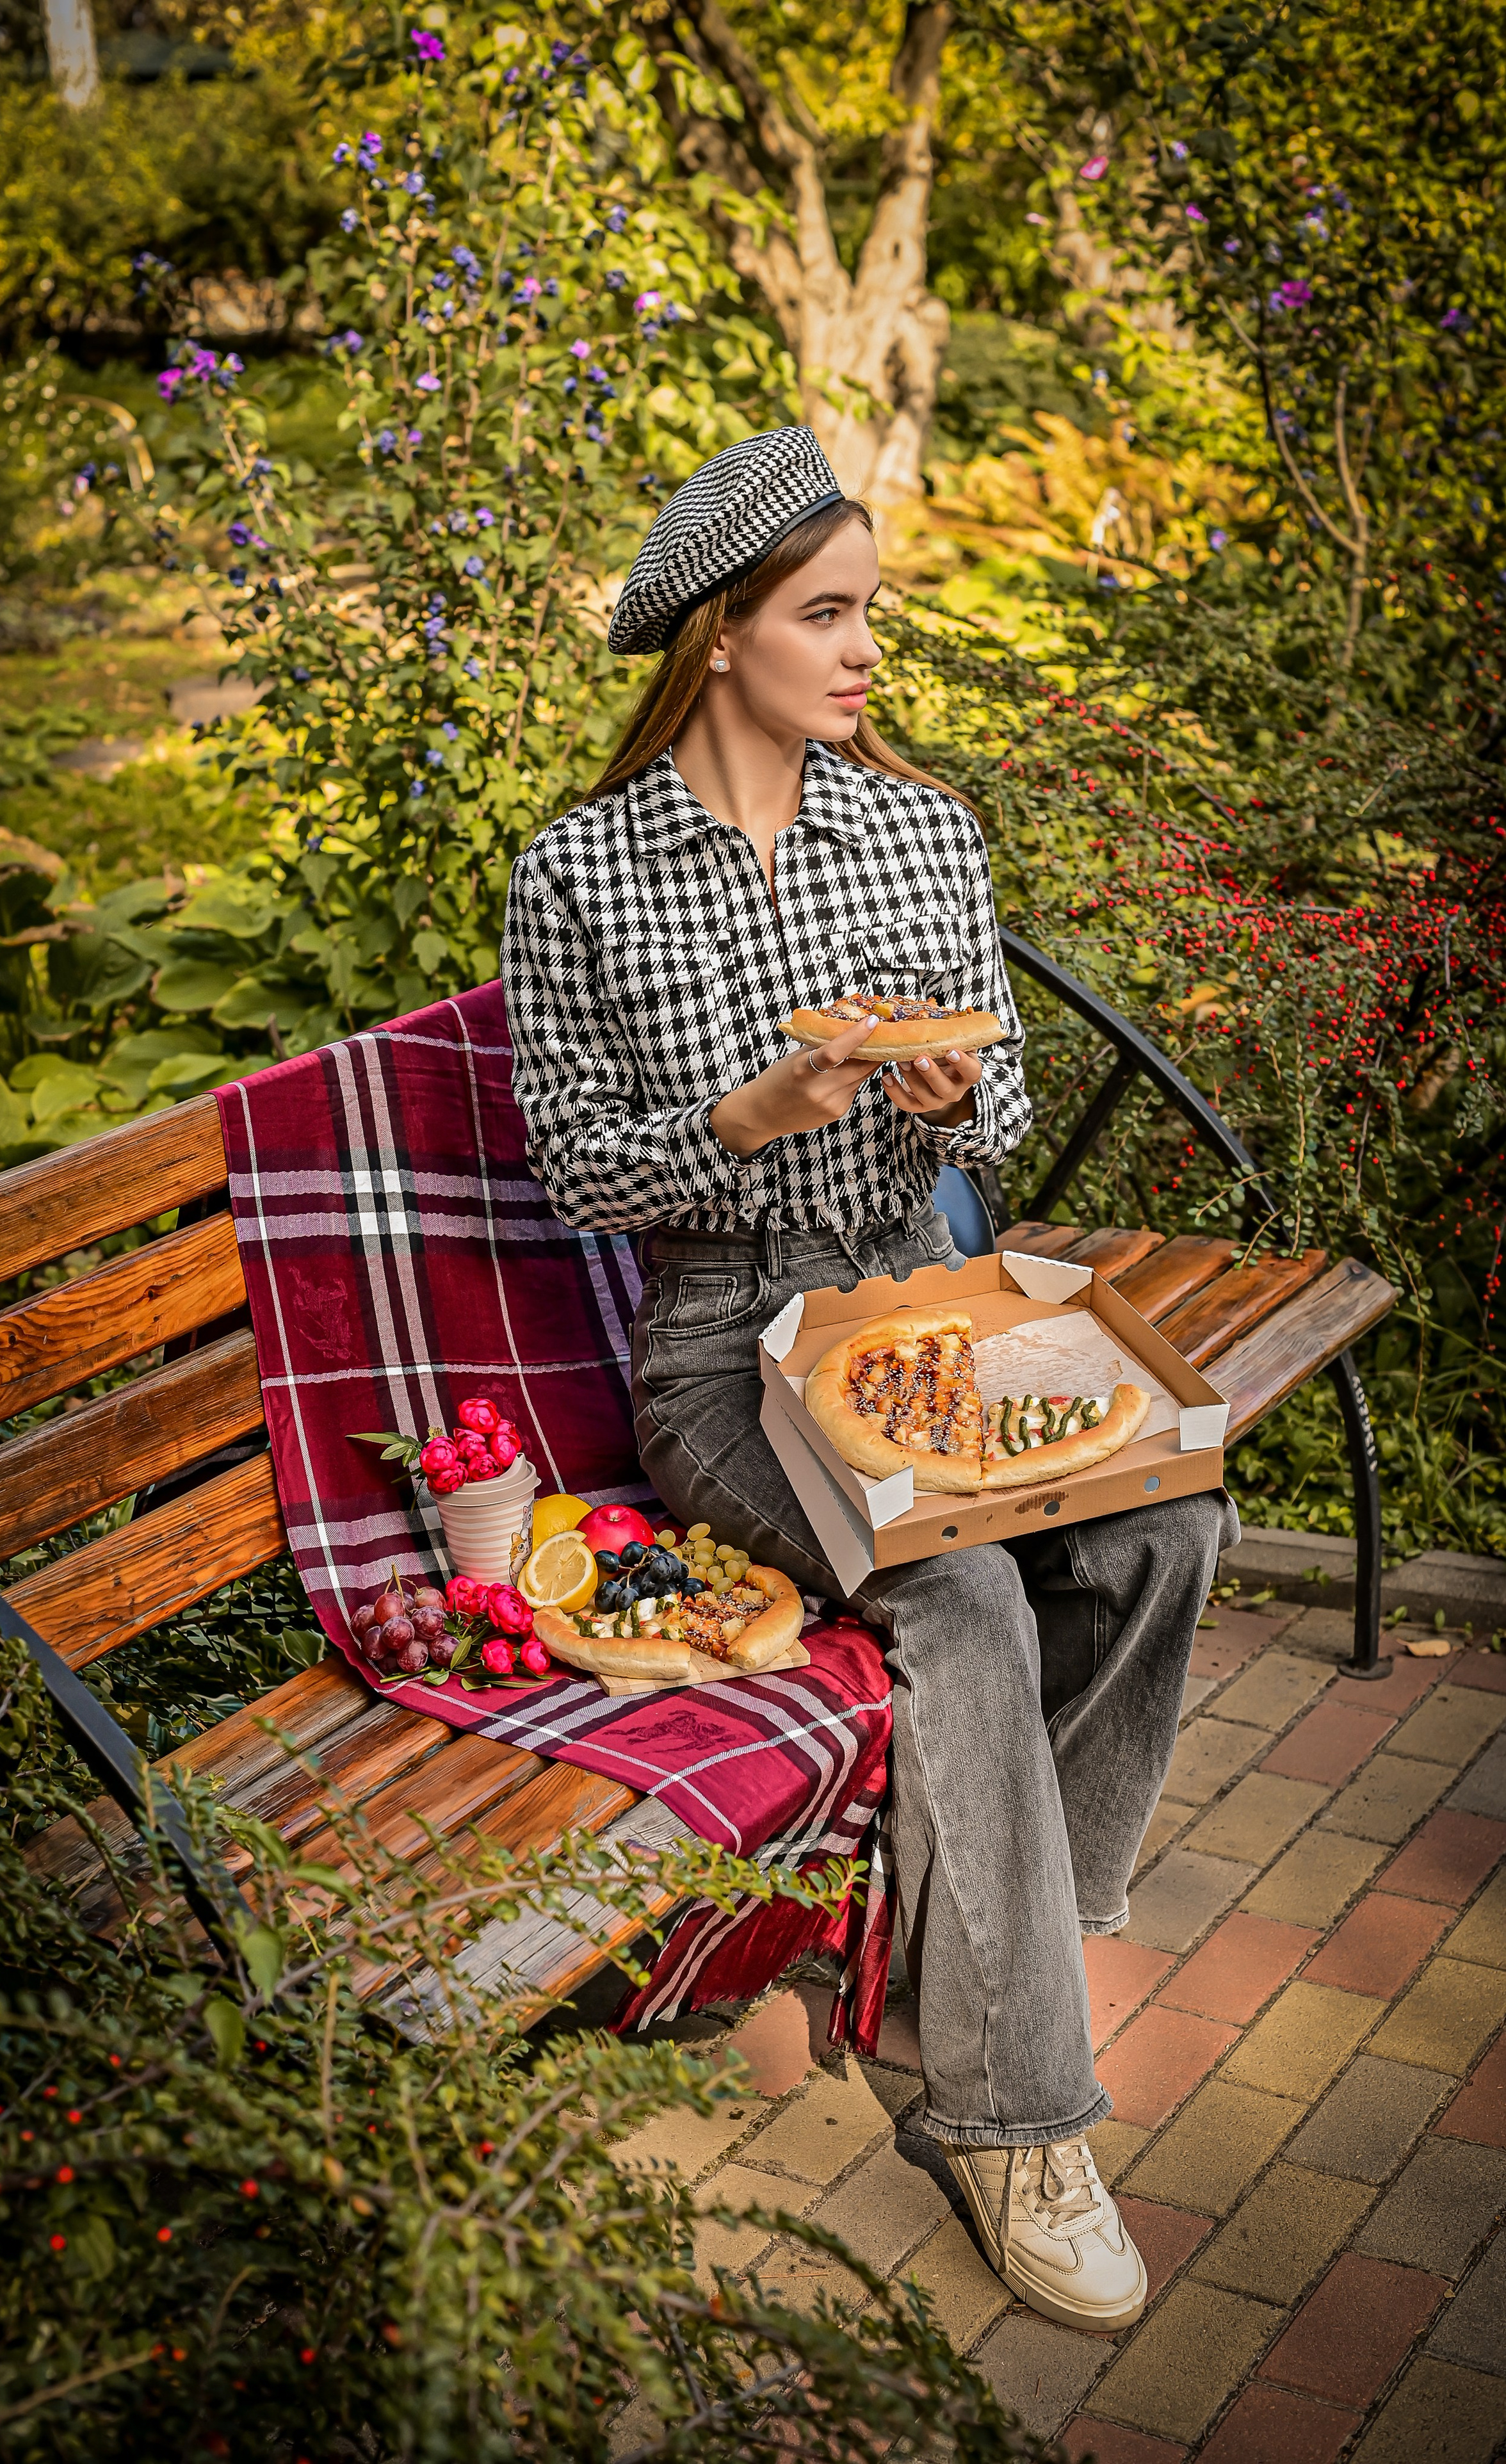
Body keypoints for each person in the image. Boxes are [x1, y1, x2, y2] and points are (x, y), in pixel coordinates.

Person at [501, 426, 1236, 2332]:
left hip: (925, 1302)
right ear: (719, 633)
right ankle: (1009, 2115)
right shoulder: (579, 870)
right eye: (828, 615)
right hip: (725, 1350)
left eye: (870, 613)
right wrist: (757, 1109)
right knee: (969, 1592)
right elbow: (579, 1163)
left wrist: (939, 1088)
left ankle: (975, 1957)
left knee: (1173, 1529)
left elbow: (991, 1081)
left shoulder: (920, 829)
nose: (863, 652)